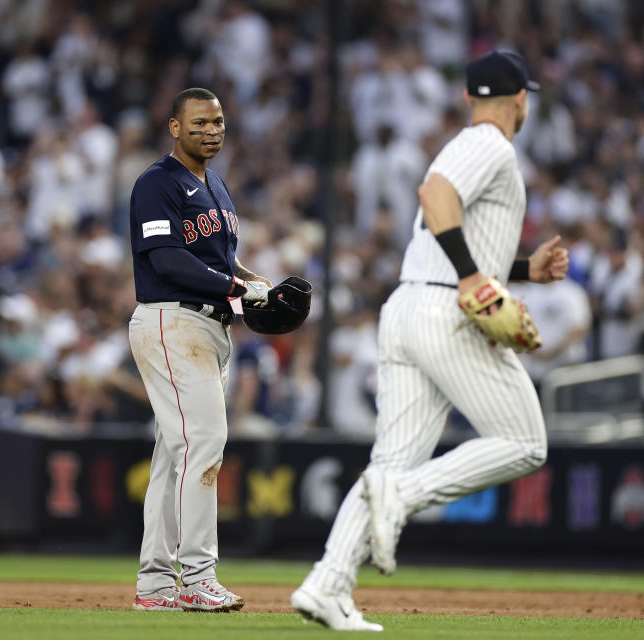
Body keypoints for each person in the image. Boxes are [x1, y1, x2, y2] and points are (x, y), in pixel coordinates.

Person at [291, 50, 569, 631]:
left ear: (470, 96)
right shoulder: (490, 144)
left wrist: (520, 271)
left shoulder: (466, 144)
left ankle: (327, 584)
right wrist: (475, 279)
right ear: (521, 99)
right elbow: (435, 197)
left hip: (411, 305)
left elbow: (448, 229)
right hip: (447, 309)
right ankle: (408, 492)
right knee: (525, 441)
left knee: (387, 460)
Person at [127, 88, 272, 612]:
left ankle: (156, 585)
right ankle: (196, 576)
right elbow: (166, 260)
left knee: (175, 456)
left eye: (217, 122)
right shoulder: (157, 183)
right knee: (204, 443)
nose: (211, 130)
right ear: (174, 127)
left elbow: (219, 263)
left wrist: (255, 283)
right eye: (199, 122)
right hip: (172, 321)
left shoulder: (216, 187)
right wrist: (234, 289)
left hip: (208, 328)